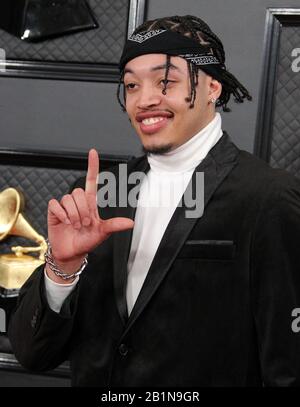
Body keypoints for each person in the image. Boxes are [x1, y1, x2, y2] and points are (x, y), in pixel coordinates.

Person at [8, 15, 300, 386]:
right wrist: (62, 268)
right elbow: (33, 353)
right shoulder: (97, 194)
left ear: (213, 87)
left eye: (166, 81)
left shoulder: (269, 199)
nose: (144, 100)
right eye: (131, 85)